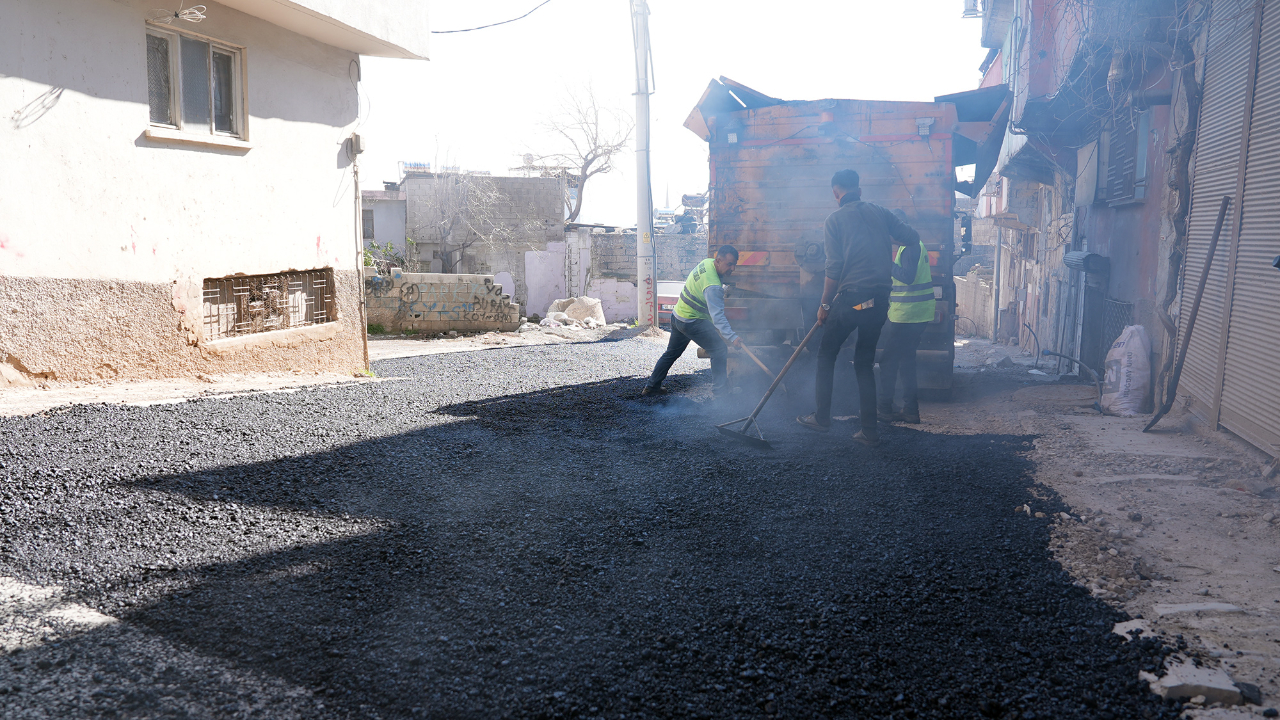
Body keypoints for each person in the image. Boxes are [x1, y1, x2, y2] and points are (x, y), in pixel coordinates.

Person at [796, 170, 920, 446]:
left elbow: (833, 268)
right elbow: (912, 236)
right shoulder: (881, 212)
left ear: (835, 193)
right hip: (878, 301)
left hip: (854, 300)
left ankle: (822, 418)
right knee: (864, 362)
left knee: (826, 353)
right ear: (860, 191)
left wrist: (824, 304)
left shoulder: (834, 220)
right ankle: (869, 431)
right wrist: (884, 240)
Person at [642, 246, 745, 398]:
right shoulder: (713, 287)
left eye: (734, 264)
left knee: (671, 353)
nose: (733, 268)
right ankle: (721, 394)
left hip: (678, 315)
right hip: (691, 321)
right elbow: (717, 317)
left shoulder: (707, 263)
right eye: (729, 264)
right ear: (718, 261)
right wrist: (732, 337)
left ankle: (651, 387)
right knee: (719, 350)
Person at [878, 213, 935, 424]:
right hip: (916, 314)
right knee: (906, 360)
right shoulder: (912, 245)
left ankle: (884, 408)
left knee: (888, 361)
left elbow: (908, 277)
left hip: (907, 315)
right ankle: (910, 410)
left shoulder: (911, 247)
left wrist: (886, 263)